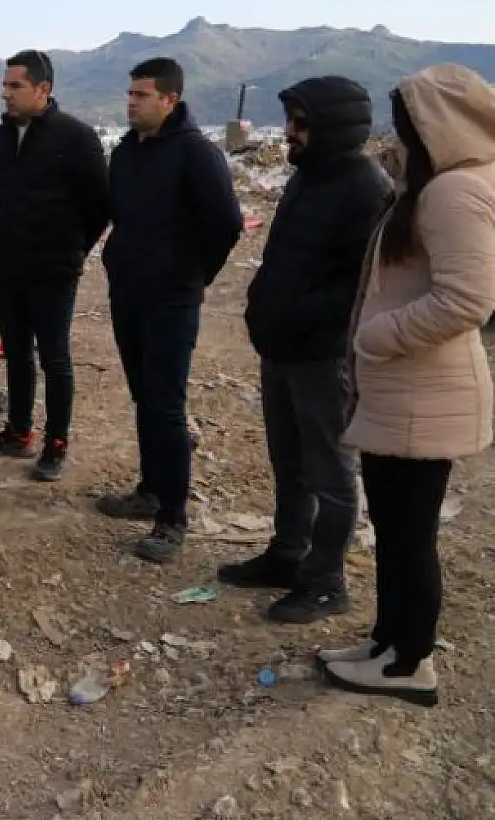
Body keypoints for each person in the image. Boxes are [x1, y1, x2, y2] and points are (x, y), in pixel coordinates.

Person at [321, 65, 495, 707]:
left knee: (409, 535)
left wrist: (377, 336)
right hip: (405, 392)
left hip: (423, 389)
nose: (398, 134)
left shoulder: (454, 192)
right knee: (395, 531)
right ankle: (386, 643)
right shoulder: (438, 183)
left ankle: (409, 663)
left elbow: (468, 299)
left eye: (407, 123)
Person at [221, 77, 391, 622]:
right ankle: (287, 555)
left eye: (300, 122)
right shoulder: (305, 180)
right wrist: (261, 306)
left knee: (329, 472)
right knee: (288, 462)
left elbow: (361, 285)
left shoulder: (366, 187)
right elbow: (279, 258)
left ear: (332, 126)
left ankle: (325, 581)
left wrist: (299, 315)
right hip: (283, 348)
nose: (289, 133)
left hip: (322, 354)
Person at [97, 57, 243, 563]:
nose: (131, 102)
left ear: (169, 100)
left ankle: (173, 516)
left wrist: (192, 275)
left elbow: (226, 223)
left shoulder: (196, 154)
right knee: (144, 395)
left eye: (142, 95)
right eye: (130, 93)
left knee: (165, 404)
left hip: (171, 298)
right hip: (129, 293)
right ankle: (150, 489)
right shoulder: (127, 153)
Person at [0, 50, 109, 481]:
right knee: (16, 354)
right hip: (7, 267)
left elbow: (99, 207)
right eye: (5, 85)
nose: (5, 94)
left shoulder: (75, 138)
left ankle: (57, 440)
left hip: (53, 271)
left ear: (43, 90)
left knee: (55, 358)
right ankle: (18, 430)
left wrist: (73, 252)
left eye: (15, 86)